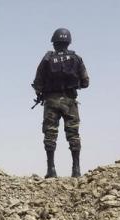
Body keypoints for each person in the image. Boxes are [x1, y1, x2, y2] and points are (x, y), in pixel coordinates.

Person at [32, 28, 89, 178]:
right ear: (68, 42)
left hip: (51, 101)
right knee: (73, 134)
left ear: (54, 43)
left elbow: (37, 83)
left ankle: (51, 170)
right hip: (70, 101)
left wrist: (42, 92)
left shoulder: (47, 59)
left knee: (50, 135)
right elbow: (86, 82)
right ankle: (76, 170)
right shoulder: (76, 58)